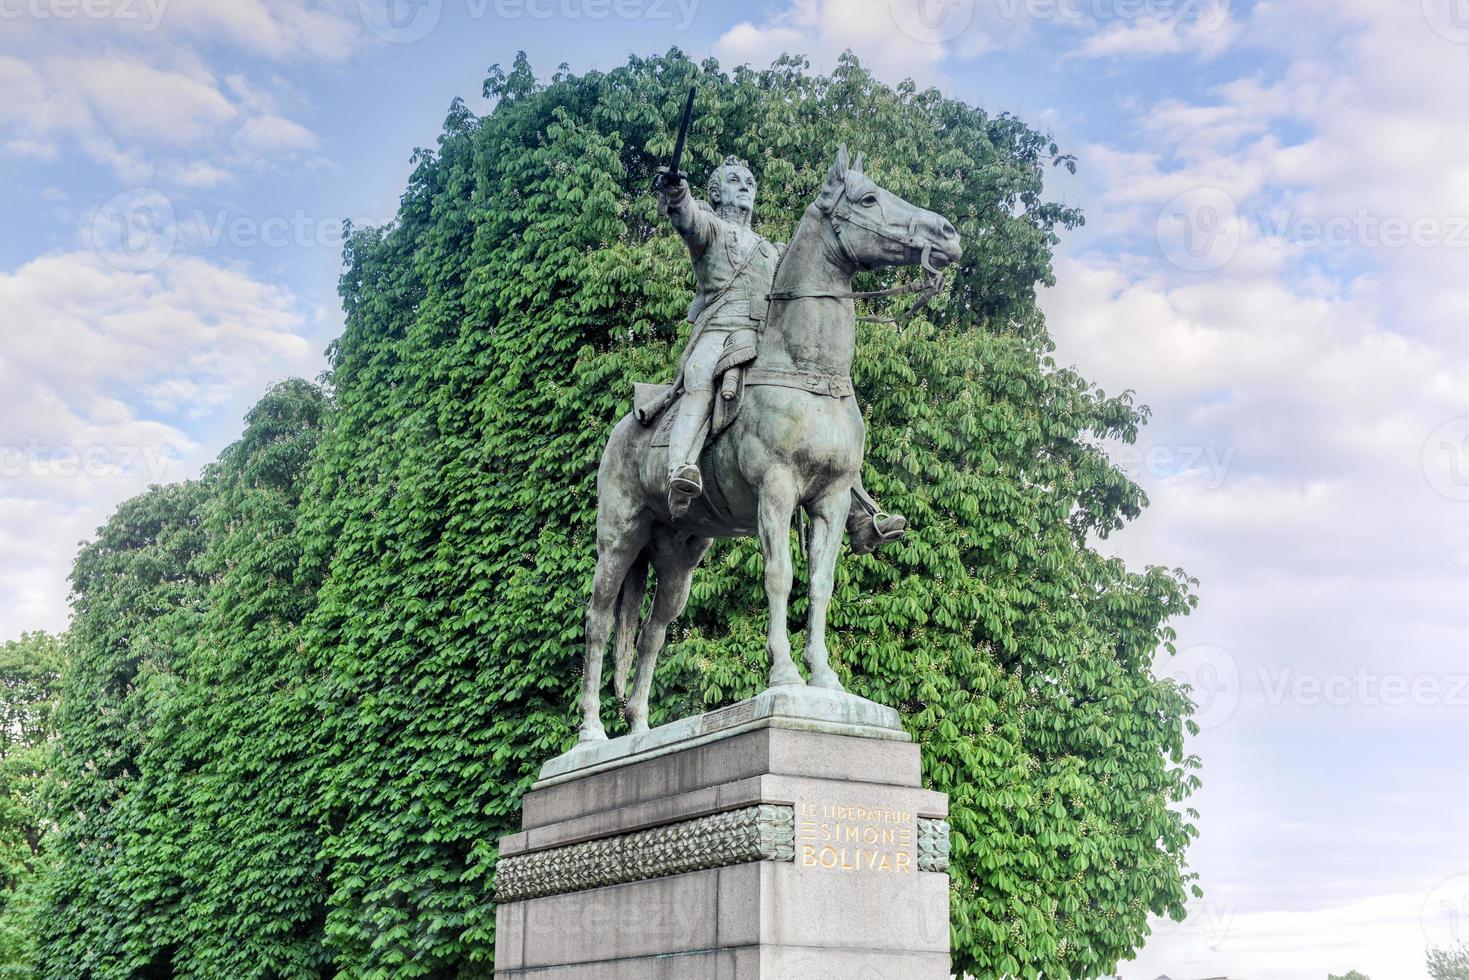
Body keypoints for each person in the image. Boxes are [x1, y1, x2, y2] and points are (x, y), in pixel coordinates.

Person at [654, 155, 906, 554]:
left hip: (766, 342)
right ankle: (680, 470)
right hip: (721, 331)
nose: (745, 186)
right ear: (716, 192)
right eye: (734, 180)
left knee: (830, 401)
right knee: (700, 375)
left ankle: (858, 507)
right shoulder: (713, 230)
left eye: (750, 182)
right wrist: (677, 193)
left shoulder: (773, 250)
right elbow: (687, 219)